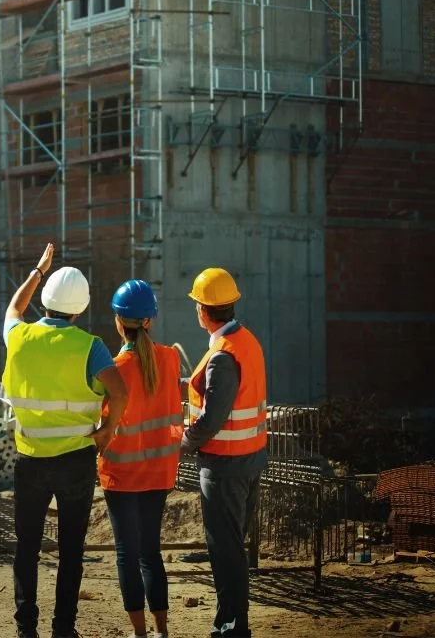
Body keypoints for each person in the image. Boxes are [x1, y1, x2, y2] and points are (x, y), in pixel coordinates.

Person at [2, 243, 129, 638]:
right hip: (76, 460)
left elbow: (13, 309)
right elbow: (120, 393)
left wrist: (37, 272)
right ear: (81, 309)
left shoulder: (19, 336)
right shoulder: (90, 346)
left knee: (26, 547)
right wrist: (108, 431)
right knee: (71, 551)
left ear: (45, 301)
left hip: (30, 460)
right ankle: (63, 629)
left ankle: (26, 628)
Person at [180, 268, 267, 638]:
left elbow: (211, 420)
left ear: (202, 310)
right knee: (233, 545)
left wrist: (181, 445)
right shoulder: (246, 341)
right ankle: (231, 623)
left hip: (224, 466)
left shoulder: (222, 355)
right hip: (247, 460)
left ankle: (232, 626)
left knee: (226, 549)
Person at [98, 280, 182, 638]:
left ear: (119, 321)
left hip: (121, 475)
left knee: (126, 554)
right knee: (151, 552)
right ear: (150, 320)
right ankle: (162, 631)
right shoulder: (171, 358)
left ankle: (139, 633)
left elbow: (103, 421)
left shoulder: (114, 369)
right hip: (158, 473)